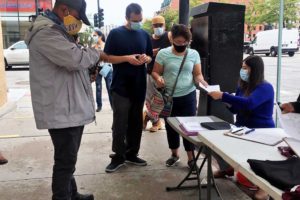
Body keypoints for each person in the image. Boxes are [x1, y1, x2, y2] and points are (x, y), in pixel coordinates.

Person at [24, 0, 105, 199]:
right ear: (65, 10)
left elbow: (74, 61)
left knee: (68, 158)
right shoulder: (47, 33)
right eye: (77, 18)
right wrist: (96, 46)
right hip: (62, 109)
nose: (78, 22)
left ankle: (73, 193)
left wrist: (83, 38)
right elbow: (76, 59)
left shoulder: (60, 31)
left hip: (68, 106)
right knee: (65, 161)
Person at [209, 55, 275, 200]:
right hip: (242, 127)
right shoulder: (242, 86)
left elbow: (249, 104)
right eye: (242, 68)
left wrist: (223, 96)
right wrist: (226, 101)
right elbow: (236, 109)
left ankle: (264, 188)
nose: (242, 71)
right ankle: (230, 169)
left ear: (255, 70)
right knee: (226, 146)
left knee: (260, 161)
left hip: (261, 130)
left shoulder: (265, 87)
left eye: (245, 68)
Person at [104, 3, 153, 173]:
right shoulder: (116, 34)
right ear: (127, 17)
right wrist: (127, 58)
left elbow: (149, 56)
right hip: (121, 86)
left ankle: (132, 153)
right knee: (120, 122)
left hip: (139, 85)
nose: (138, 23)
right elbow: (106, 57)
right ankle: (118, 156)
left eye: (140, 20)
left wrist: (146, 58)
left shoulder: (144, 35)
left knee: (135, 122)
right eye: (135, 20)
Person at [152, 24, 208, 169]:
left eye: (185, 42)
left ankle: (191, 158)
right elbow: (155, 72)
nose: (181, 45)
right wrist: (158, 78)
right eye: (178, 42)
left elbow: (197, 74)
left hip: (188, 96)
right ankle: (174, 154)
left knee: (188, 128)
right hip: (169, 98)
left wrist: (201, 81)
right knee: (171, 127)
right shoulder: (163, 54)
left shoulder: (193, 54)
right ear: (171, 39)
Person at [143, 15, 171, 132]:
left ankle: (147, 117)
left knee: (162, 101)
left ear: (164, 26)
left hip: (165, 75)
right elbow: (143, 53)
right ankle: (156, 122)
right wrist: (150, 54)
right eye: (156, 25)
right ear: (152, 26)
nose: (158, 27)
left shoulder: (169, 36)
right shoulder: (148, 39)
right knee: (150, 99)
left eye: (161, 25)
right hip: (150, 73)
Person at [92, 29, 113, 111]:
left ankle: (113, 105)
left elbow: (110, 56)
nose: (94, 37)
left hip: (107, 67)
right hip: (97, 68)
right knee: (98, 87)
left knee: (109, 86)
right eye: (93, 36)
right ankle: (99, 106)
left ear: (100, 37)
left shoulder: (106, 45)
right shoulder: (93, 47)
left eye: (95, 35)